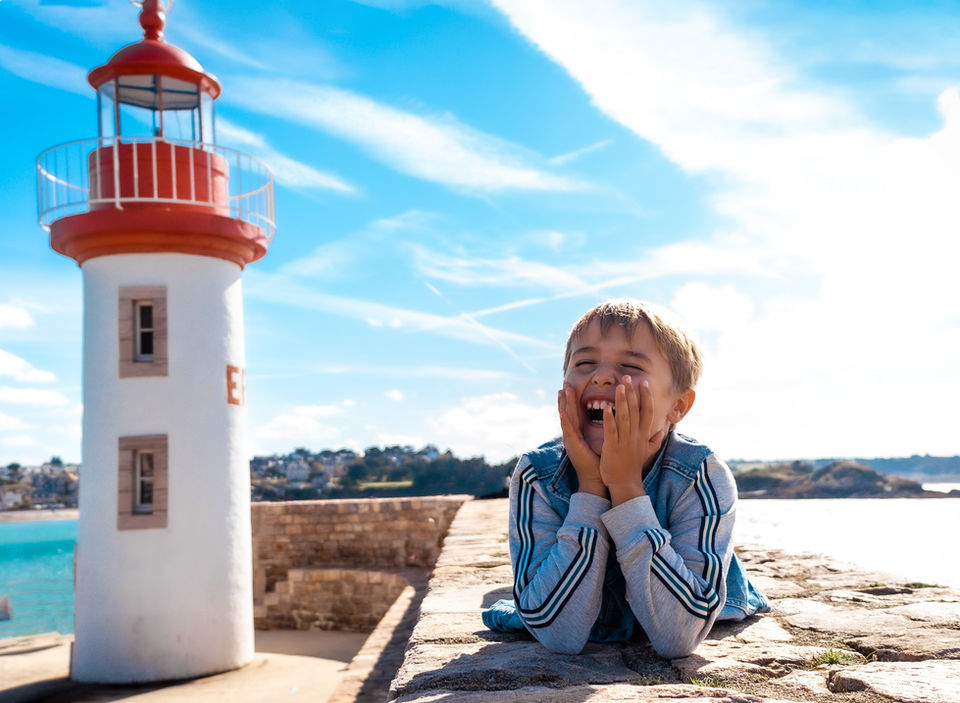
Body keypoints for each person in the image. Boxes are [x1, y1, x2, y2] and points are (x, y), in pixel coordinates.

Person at [482, 298, 768, 658]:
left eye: (630, 365)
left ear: (678, 406)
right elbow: (556, 634)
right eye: (584, 363)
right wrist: (590, 489)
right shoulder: (537, 475)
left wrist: (626, 489)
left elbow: (679, 637)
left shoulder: (701, 475)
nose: (601, 376)